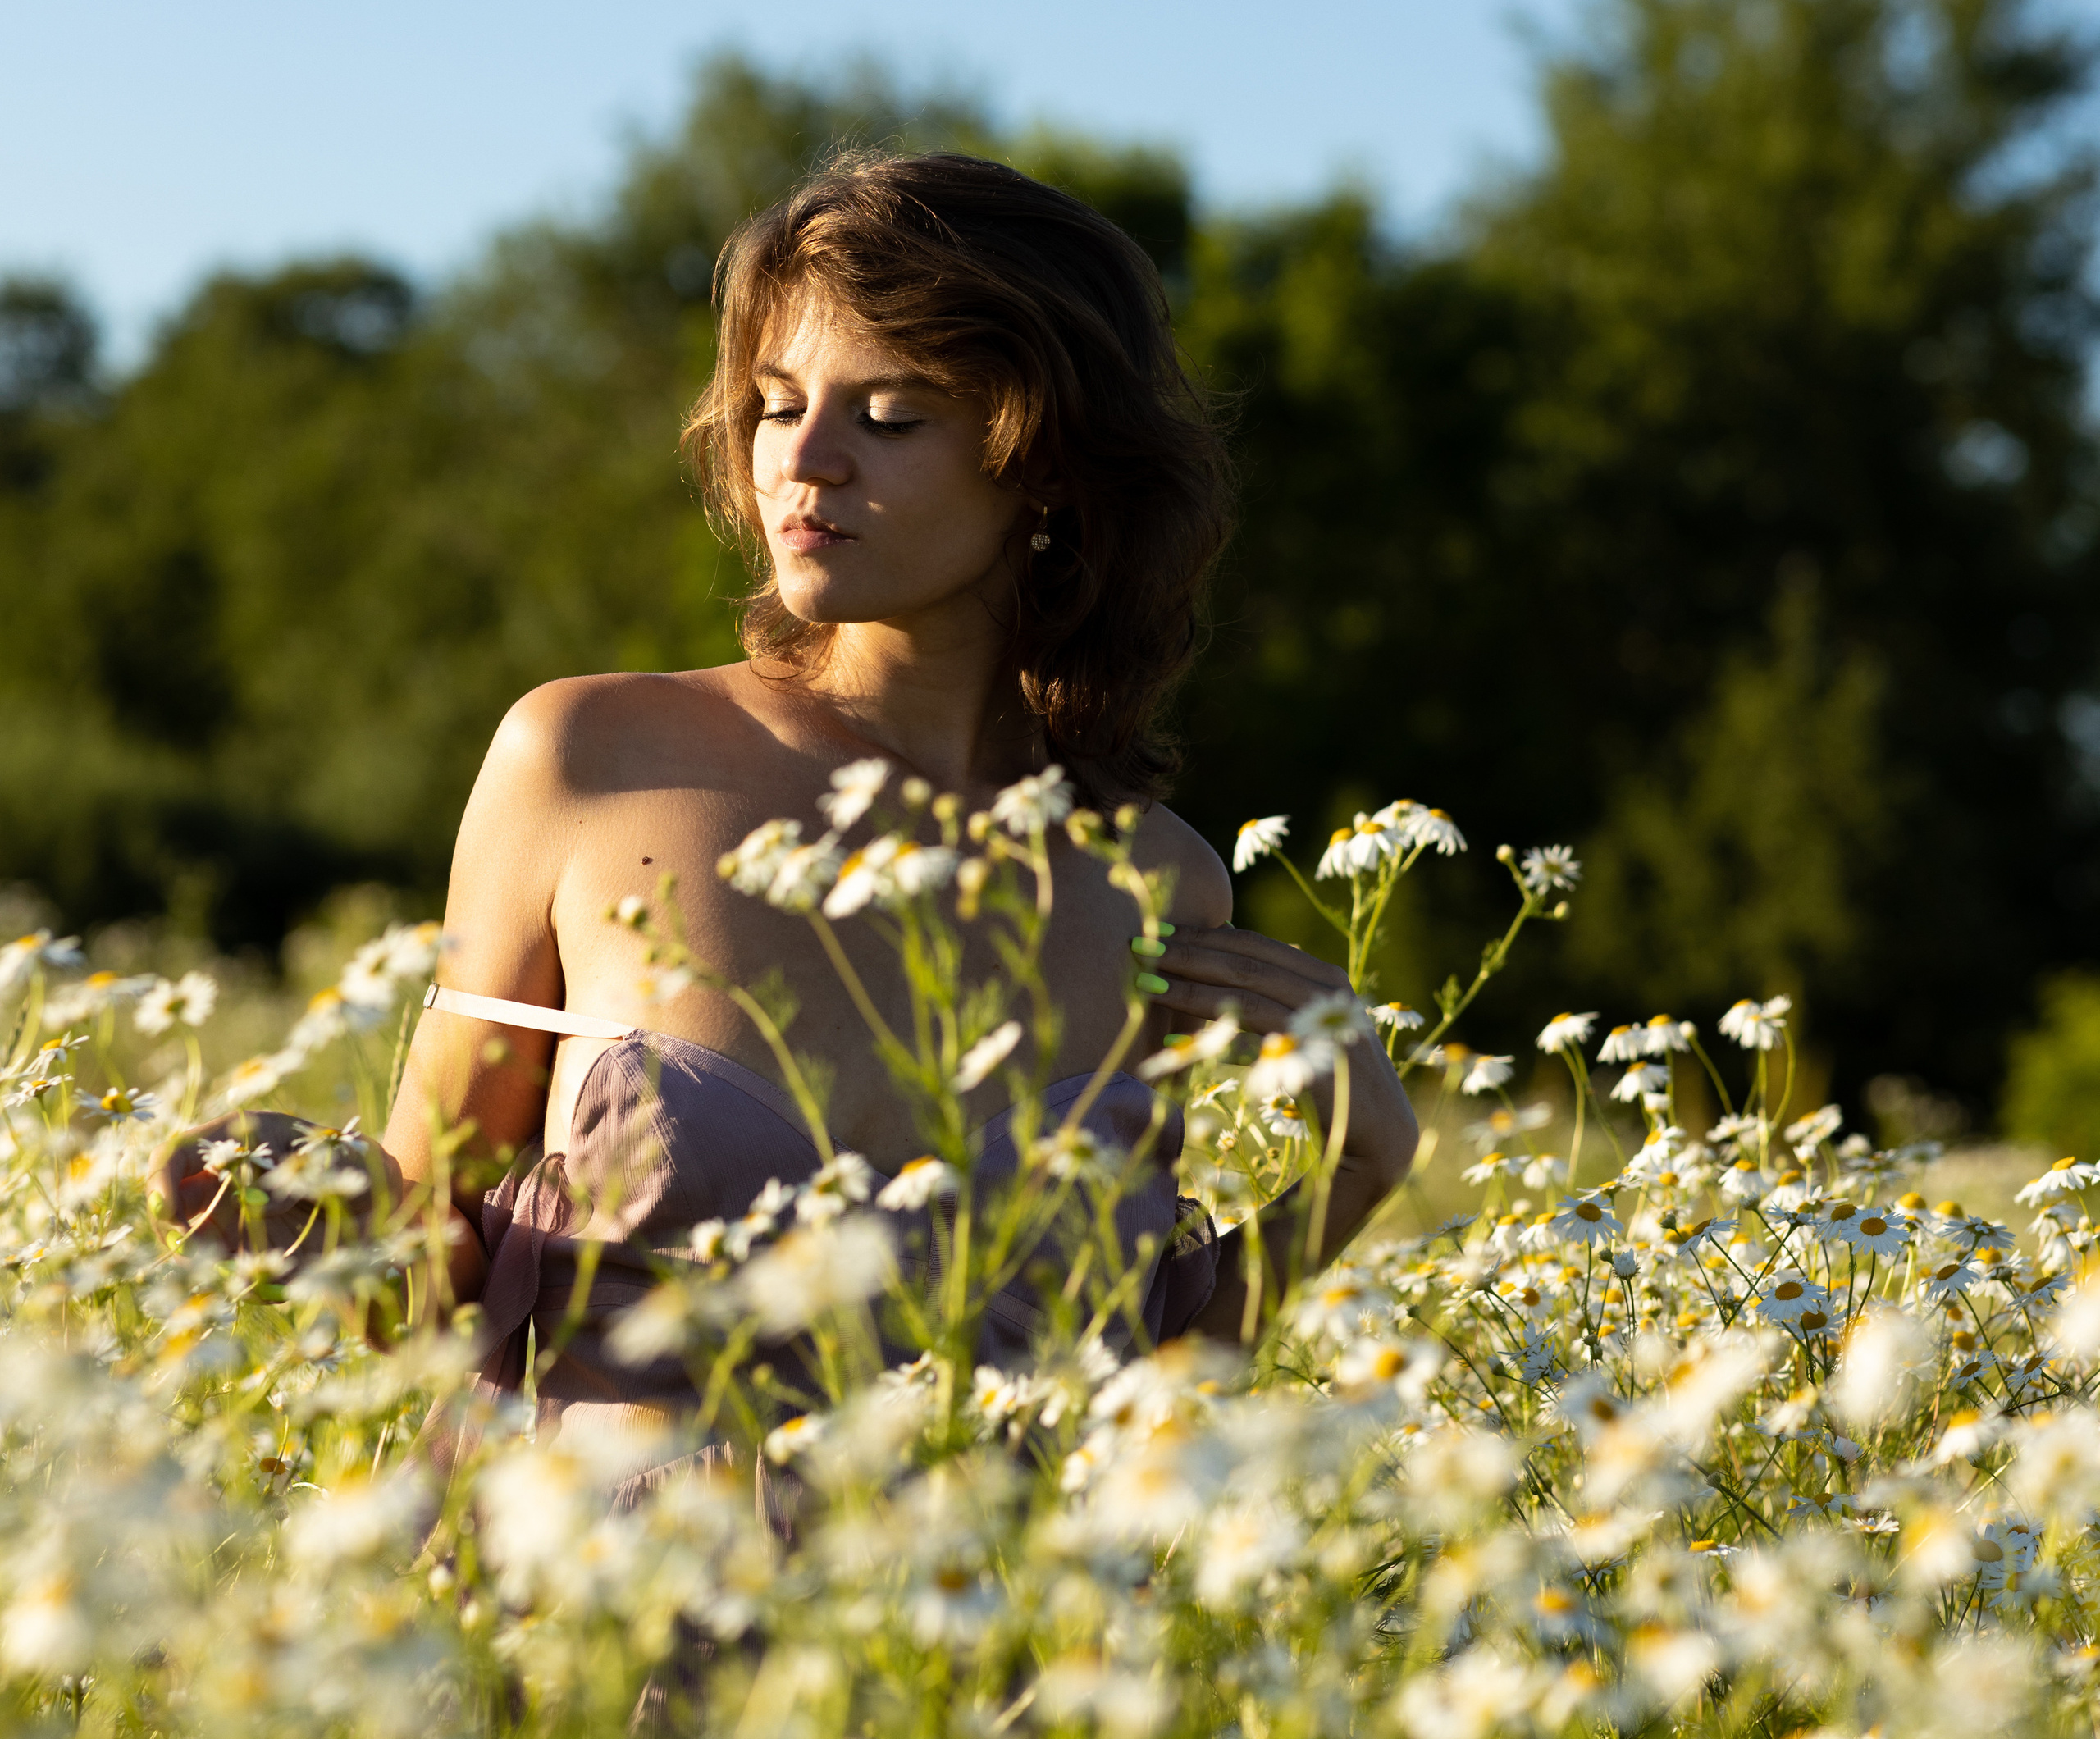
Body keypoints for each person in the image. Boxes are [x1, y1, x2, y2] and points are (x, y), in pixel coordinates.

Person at [176, 153, 1418, 1456]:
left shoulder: (1153, 882)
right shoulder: (587, 759)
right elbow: (435, 1290)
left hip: (962, 1650)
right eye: (774, 406)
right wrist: (318, 1213)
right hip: (578, 1636)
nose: (804, 463)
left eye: (890, 417)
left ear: (1045, 461)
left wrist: (1354, 1175)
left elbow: (1114, 1417)